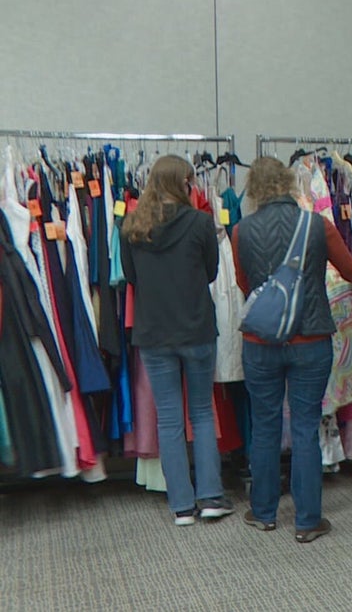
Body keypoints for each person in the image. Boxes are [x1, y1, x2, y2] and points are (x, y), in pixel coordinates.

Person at [231, 156, 352, 543]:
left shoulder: (242, 231)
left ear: (254, 189)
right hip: (311, 339)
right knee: (305, 426)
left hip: (260, 342)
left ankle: (264, 512)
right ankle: (307, 521)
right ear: (291, 184)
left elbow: (244, 285)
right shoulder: (317, 226)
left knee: (265, 425)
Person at [120, 154, 233, 526]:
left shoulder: (132, 225)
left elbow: (131, 277)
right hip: (197, 327)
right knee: (201, 414)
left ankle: (182, 505)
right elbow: (212, 272)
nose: (193, 188)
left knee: (169, 419)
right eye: (189, 182)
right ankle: (211, 497)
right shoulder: (201, 223)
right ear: (181, 184)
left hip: (153, 332)